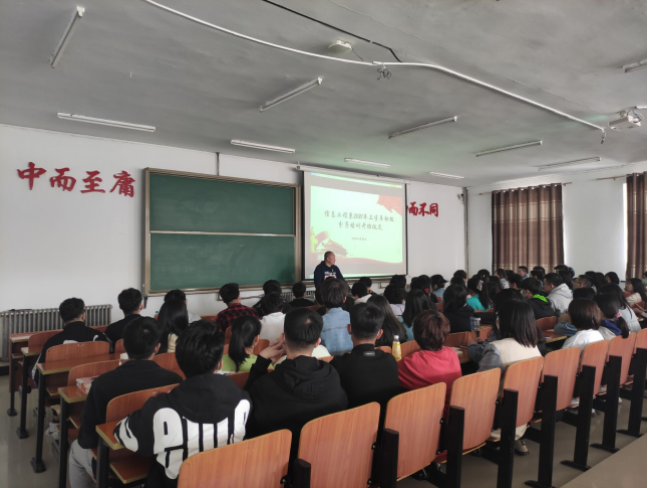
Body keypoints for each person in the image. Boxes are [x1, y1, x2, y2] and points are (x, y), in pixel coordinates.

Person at [114, 322, 251, 488]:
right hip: (226, 481)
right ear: (220, 364)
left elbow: (123, 434)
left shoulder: (162, 410)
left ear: (179, 363)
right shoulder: (243, 401)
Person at [70, 318, 182, 488]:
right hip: (158, 458)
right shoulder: (174, 380)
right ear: (157, 347)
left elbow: (87, 440)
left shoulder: (102, 384)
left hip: (112, 461)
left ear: (123, 345)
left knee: (75, 449)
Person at [244, 308, 348, 462]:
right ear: (317, 342)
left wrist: (262, 360)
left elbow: (245, 414)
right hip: (327, 458)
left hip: (279, 462)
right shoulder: (332, 375)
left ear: (283, 338)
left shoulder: (265, 385)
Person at [477, 300, 542, 455]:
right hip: (521, 417)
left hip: (495, 422)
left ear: (504, 321)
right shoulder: (533, 347)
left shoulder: (497, 348)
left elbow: (480, 387)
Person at [330, 303, 399, 416]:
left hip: (352, 424)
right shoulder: (390, 360)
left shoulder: (338, 364)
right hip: (386, 423)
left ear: (349, 329)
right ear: (379, 334)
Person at [398, 310, 462, 411]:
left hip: (425, 416)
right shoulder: (452, 353)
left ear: (415, 333)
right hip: (452, 414)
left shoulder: (411, 362)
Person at [34, 298, 108, 384]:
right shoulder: (99, 337)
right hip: (96, 383)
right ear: (83, 315)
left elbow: (37, 375)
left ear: (61, 317)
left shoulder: (52, 342)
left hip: (60, 385)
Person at [466, 289, 525, 364]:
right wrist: (487, 343)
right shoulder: (529, 339)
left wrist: (472, 345)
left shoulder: (501, 329)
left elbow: (479, 354)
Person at [319, 278, 353, 354]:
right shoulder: (354, 318)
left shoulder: (318, 322)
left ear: (322, 298)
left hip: (327, 361)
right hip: (352, 360)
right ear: (345, 299)